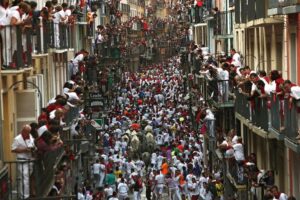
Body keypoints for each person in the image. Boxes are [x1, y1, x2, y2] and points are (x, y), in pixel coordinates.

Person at [11, 124, 36, 199]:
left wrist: (33, 149)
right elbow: (13, 149)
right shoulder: (17, 139)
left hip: (30, 161)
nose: (28, 133)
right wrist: (24, 150)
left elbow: (33, 145)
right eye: (27, 132)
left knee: (24, 179)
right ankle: (25, 197)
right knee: (25, 178)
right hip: (22, 161)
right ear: (23, 131)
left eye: (29, 132)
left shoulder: (31, 136)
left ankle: (21, 195)